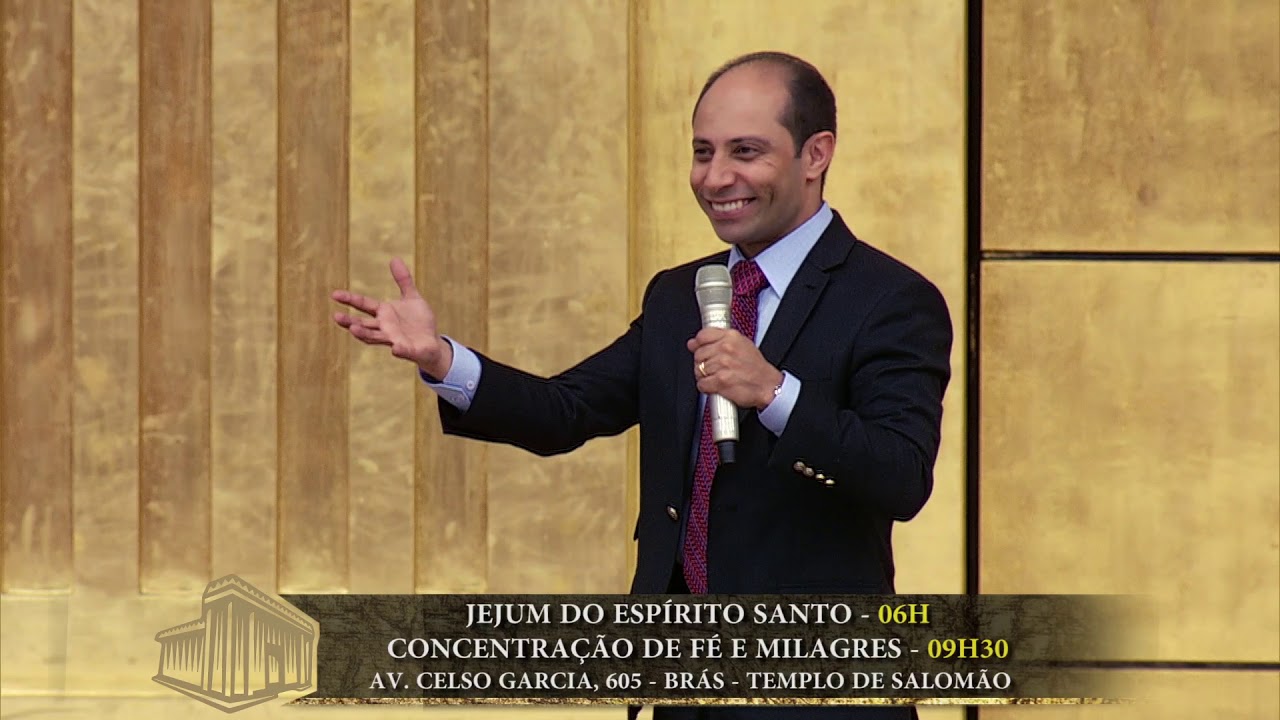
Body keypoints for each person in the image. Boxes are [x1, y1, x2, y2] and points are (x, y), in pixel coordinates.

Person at [333, 52, 951, 720]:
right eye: (702, 152)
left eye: (746, 151)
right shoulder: (679, 296)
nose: (717, 178)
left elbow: (900, 475)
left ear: (815, 154)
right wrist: (443, 359)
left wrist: (775, 393)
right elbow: (567, 411)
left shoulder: (890, 300)